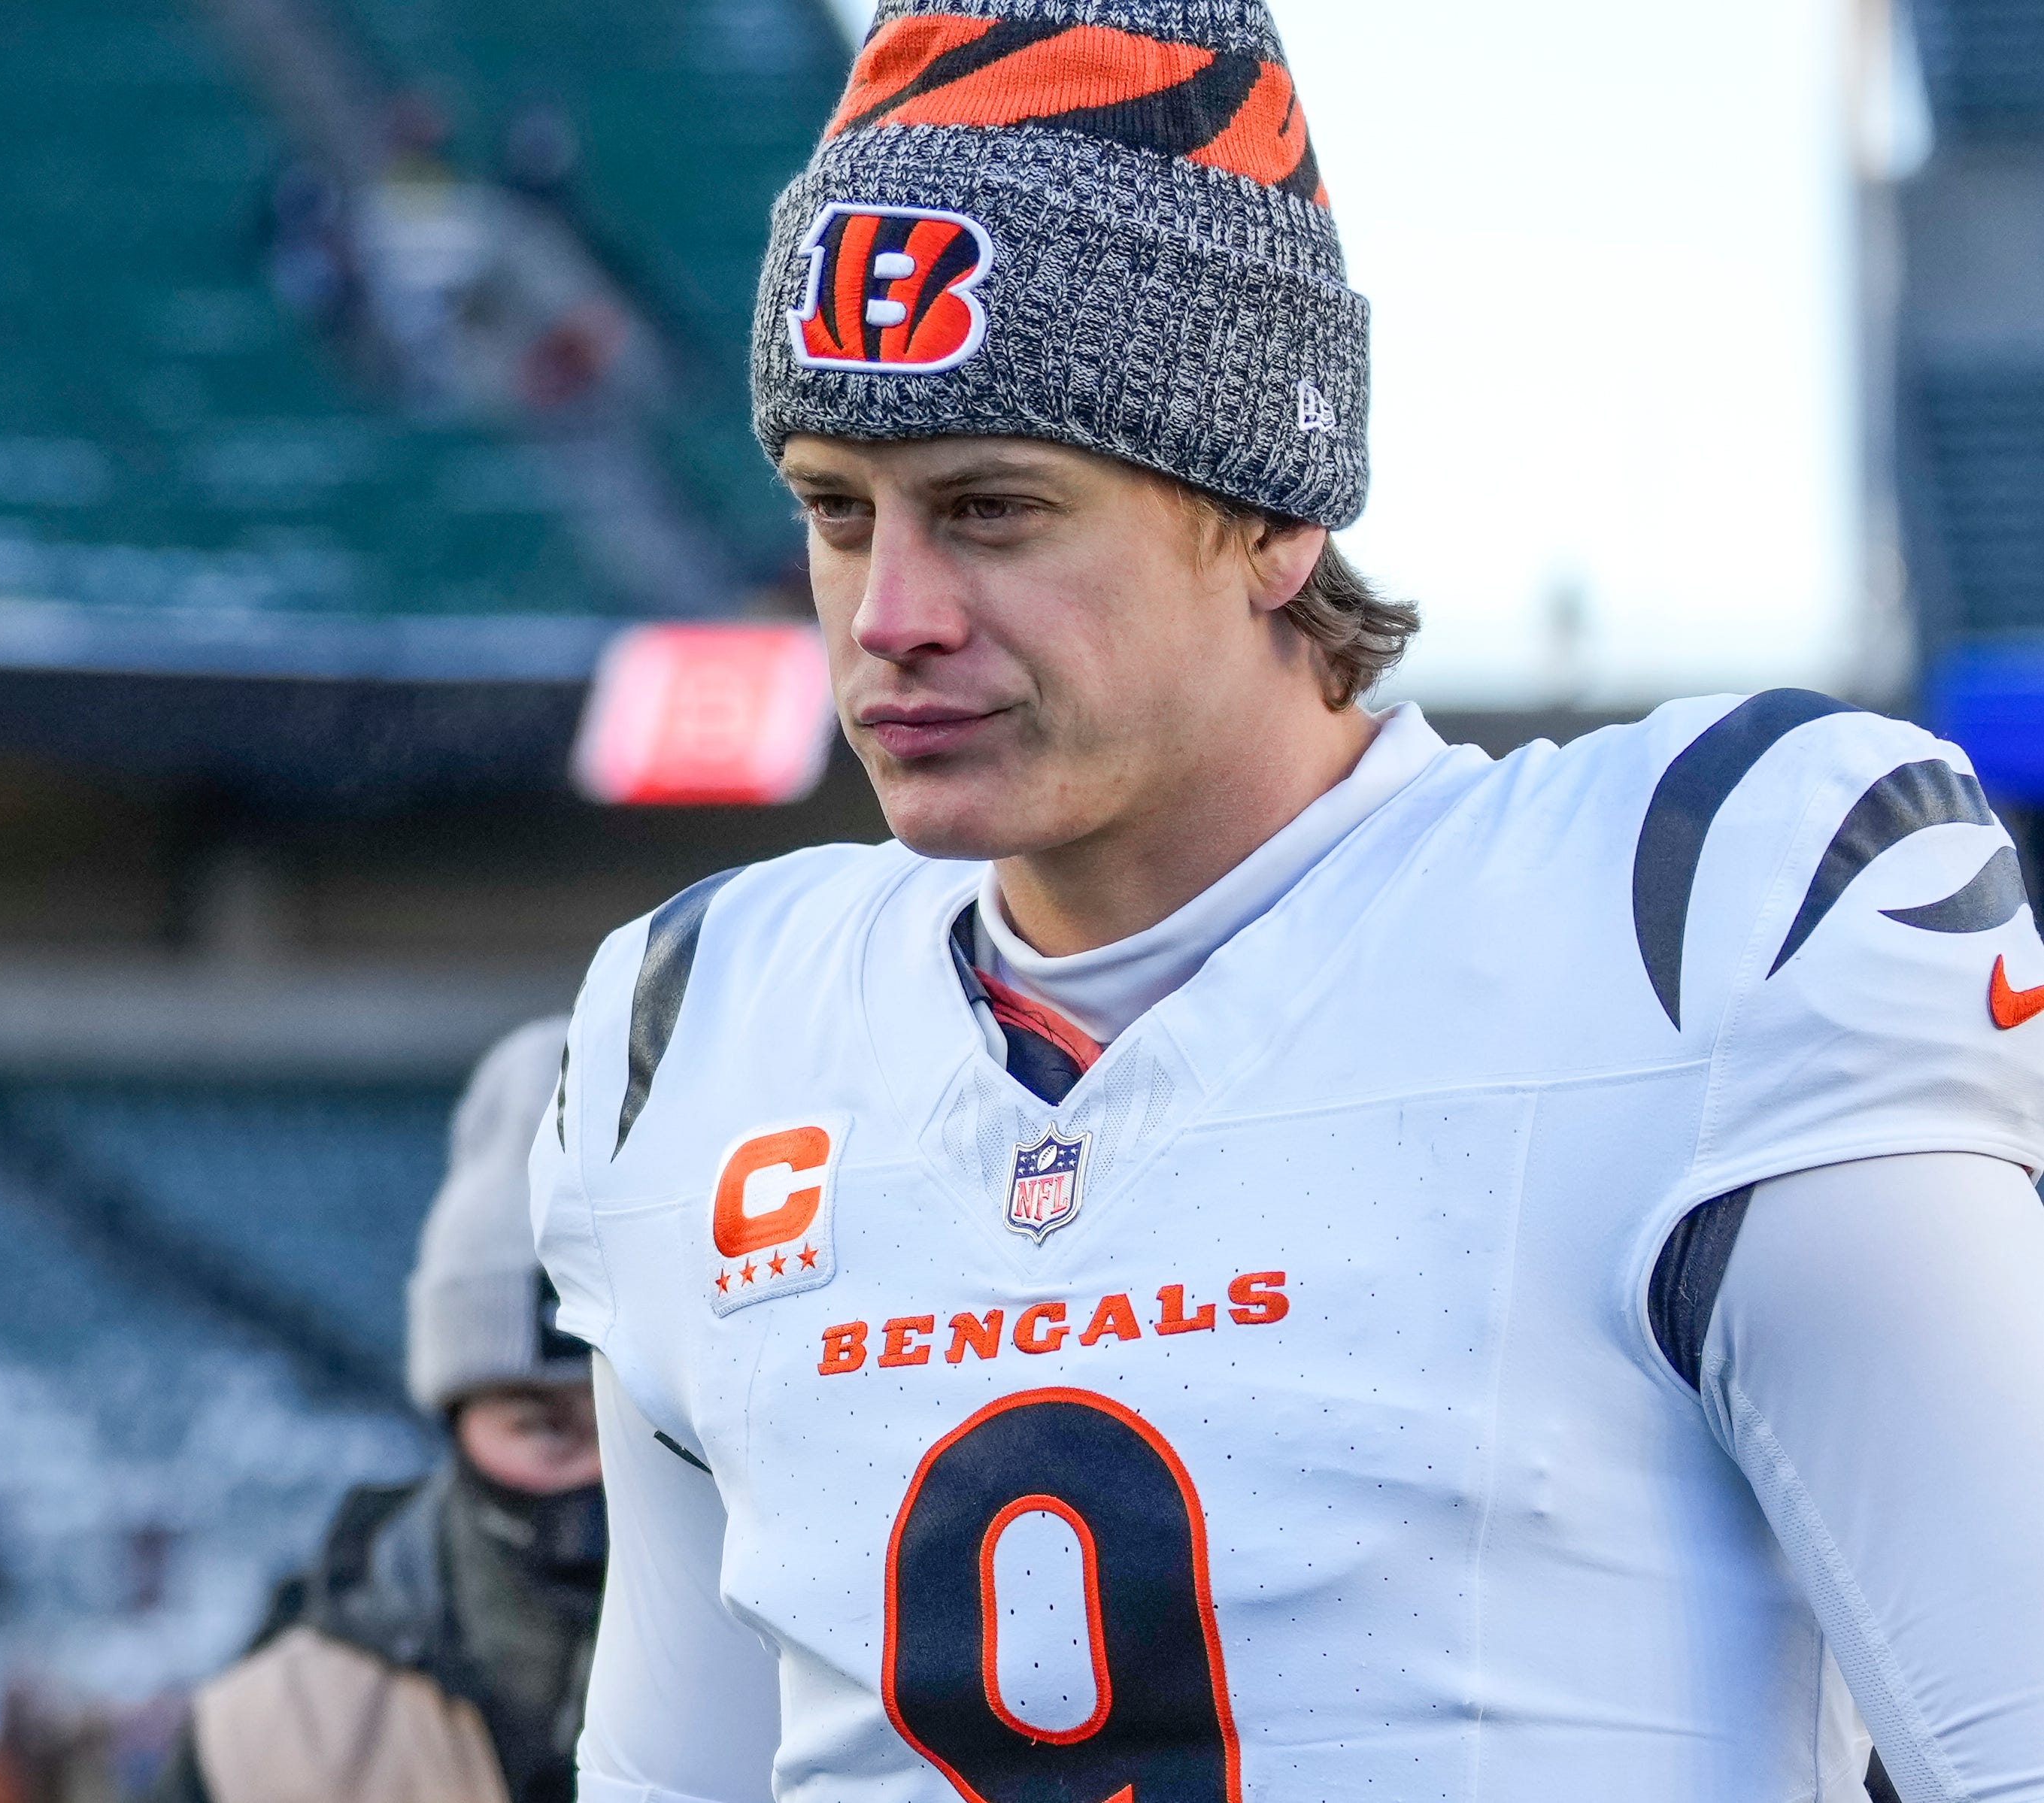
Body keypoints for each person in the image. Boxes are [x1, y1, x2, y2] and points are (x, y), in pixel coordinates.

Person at [532, 5, 2044, 1801]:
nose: (890, 611)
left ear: (1272, 510)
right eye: (836, 509)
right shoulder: (695, 1035)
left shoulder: (1684, 920)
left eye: (994, 507)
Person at [155, 1017, 604, 1803]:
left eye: (643, 1431)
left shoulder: (827, 1689)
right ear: (455, 1421)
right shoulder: (265, 1741)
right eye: (542, 1425)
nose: (600, 1480)